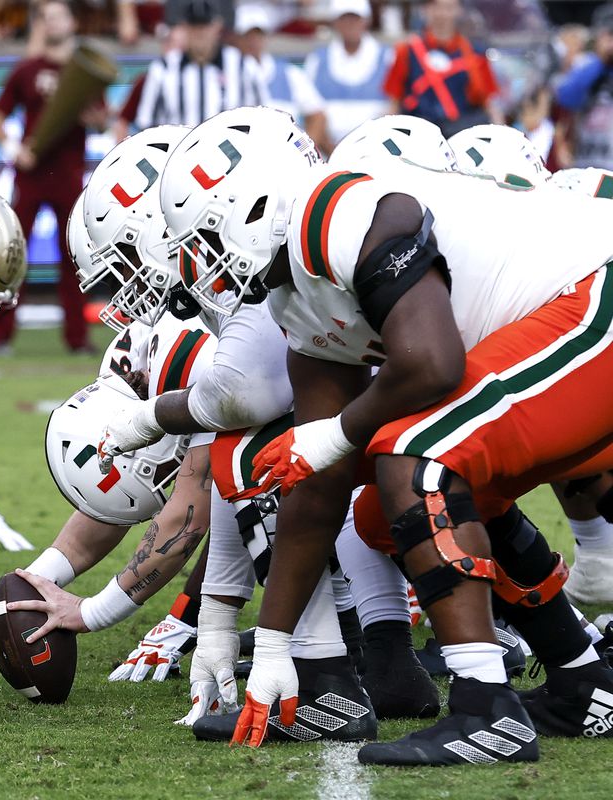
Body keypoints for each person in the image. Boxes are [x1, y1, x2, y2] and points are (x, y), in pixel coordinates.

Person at [151, 106, 613, 764]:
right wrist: (276, 645)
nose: (198, 262)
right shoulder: (299, 295)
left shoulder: (339, 210)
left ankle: (487, 709)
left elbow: (432, 364)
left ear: (251, 205)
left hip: (598, 288)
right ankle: (581, 679)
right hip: (570, 312)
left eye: (202, 235)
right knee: (380, 512)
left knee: (414, 457)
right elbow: (320, 484)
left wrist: (335, 433)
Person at [0, 0, 107, 354]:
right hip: (31, 174)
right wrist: (14, 150)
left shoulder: (83, 70)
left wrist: (92, 117)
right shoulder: (27, 69)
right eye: (46, 18)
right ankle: (0, 336)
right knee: (14, 254)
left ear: (72, 22)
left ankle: (76, 337)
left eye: (58, 16)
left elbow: (103, 120)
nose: (52, 22)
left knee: (72, 258)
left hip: (68, 174)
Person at [382, 0, 500, 137]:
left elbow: (488, 103)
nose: (443, 14)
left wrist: (499, 135)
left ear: (458, 10)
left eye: (449, 8)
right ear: (426, 9)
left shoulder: (475, 54)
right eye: (437, 7)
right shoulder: (406, 51)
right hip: (418, 135)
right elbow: (394, 102)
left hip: (462, 135)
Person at [121, 0, 243, 132]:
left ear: (217, 27)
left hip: (229, 150)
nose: (200, 33)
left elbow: (262, 116)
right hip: (177, 150)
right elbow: (145, 125)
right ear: (184, 27)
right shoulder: (162, 68)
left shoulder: (241, 65)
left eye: (205, 25)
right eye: (194, 26)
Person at [235, 4, 330, 154]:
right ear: (237, 38)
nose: (253, 41)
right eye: (247, 35)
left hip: (286, 159)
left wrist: (301, 152)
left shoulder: (289, 73)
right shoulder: (226, 75)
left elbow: (317, 116)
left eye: (258, 35)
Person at [302, 0, 393, 149]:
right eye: (344, 18)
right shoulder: (317, 60)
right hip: (327, 154)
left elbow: (393, 107)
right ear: (335, 22)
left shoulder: (389, 57)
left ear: (366, 21)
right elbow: (310, 112)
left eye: (355, 18)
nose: (350, 24)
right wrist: (331, 152)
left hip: (377, 151)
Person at [555, 3, 613, 170]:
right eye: (608, 35)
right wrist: (602, 60)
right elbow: (566, 98)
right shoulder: (586, 65)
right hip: (585, 161)